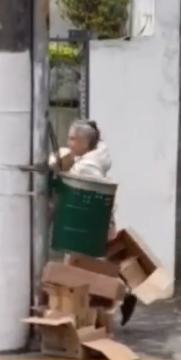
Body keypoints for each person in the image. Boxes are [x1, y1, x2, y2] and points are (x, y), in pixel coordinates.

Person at [64, 119, 137, 326]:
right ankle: (110, 302)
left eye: (72, 139)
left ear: (85, 144)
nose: (69, 143)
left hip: (89, 226)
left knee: (86, 268)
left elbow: (88, 195)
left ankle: (119, 296)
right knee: (93, 267)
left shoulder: (87, 167)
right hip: (96, 225)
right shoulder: (94, 159)